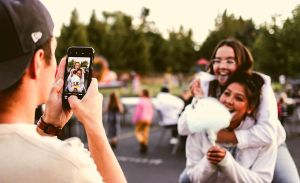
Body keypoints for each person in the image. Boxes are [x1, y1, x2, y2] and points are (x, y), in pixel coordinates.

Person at [0, 0, 127, 182]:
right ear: (38, 62)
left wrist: (48, 126)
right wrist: (94, 126)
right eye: (54, 52)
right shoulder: (68, 166)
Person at [178, 38, 299, 183]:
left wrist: (225, 136)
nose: (222, 66)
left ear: (241, 63)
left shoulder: (259, 85)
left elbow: (267, 134)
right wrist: (198, 99)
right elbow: (184, 127)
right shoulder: (207, 84)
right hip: (223, 147)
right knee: (186, 179)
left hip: (265, 145)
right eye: (217, 60)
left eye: (230, 61)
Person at [185, 72, 277, 182]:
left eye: (239, 98)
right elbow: (193, 177)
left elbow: (262, 180)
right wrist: (208, 162)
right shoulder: (200, 127)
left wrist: (226, 162)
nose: (228, 101)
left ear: (250, 108)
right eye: (227, 93)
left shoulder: (263, 137)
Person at [132, 89, 154, 154]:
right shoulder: (149, 101)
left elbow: (138, 112)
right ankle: (145, 144)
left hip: (141, 119)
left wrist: (134, 119)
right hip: (148, 119)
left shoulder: (141, 101)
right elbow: (151, 111)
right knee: (145, 132)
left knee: (137, 132)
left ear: (143, 94)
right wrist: (150, 119)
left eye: (141, 92)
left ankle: (142, 142)